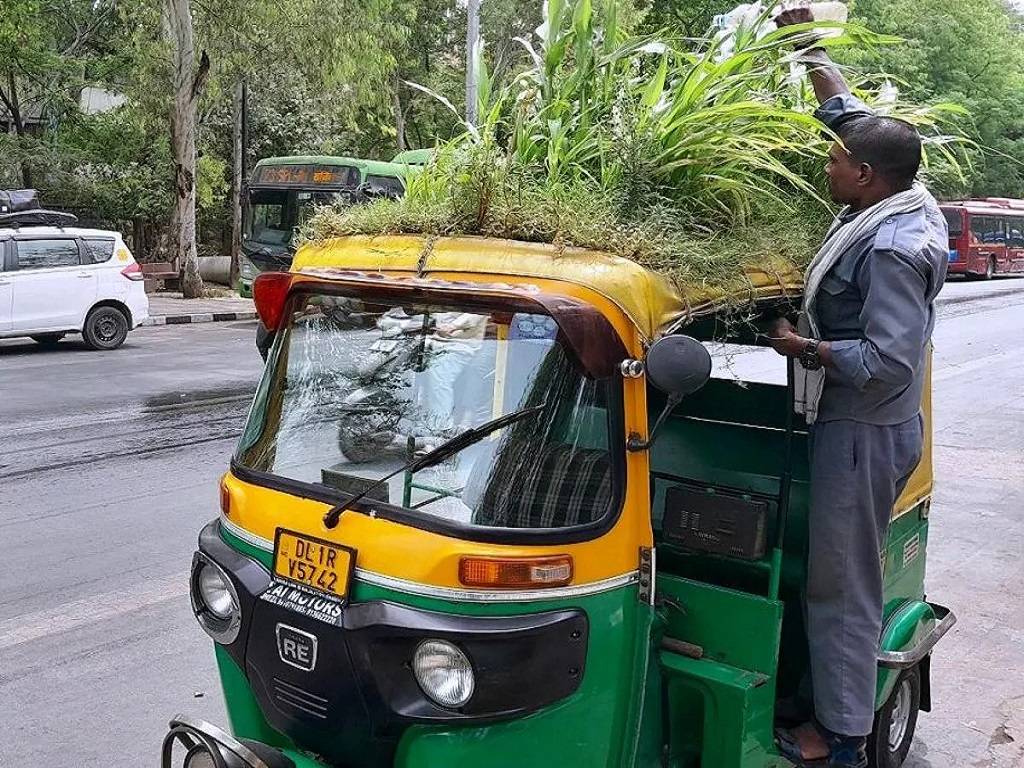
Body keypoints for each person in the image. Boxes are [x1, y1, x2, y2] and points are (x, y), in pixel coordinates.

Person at [767, 4, 949, 766]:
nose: (827, 165)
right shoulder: (896, 180)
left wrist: (799, 344)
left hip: (862, 432)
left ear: (865, 177)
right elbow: (845, 109)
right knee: (833, 575)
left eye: (835, 163)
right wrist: (806, 43)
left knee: (841, 591)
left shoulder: (895, 249)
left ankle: (838, 736)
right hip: (862, 424)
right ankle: (828, 708)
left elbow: (886, 362)